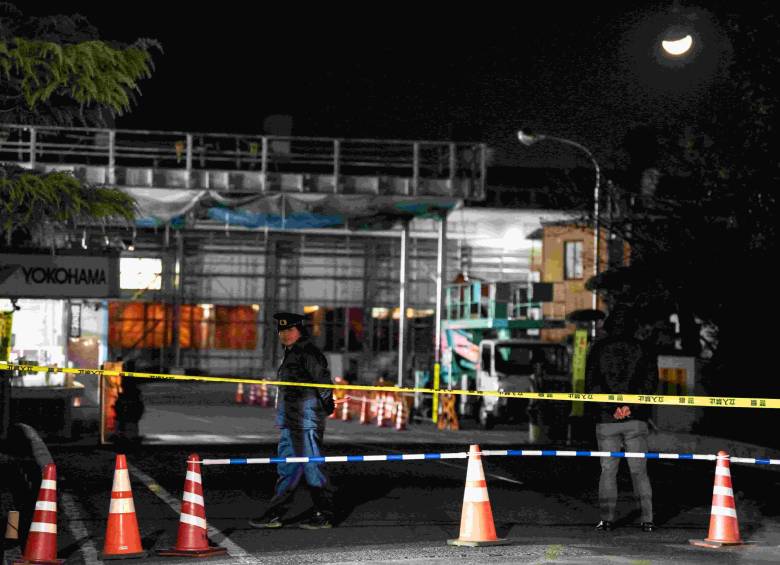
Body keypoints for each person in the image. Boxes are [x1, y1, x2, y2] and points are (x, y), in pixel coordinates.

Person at [249, 312, 336, 530]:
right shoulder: (291, 354)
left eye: (290, 330)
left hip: (305, 421)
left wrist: (326, 406)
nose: (285, 335)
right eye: (282, 331)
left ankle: (324, 514)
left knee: (313, 467)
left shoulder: (308, 353)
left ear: (300, 330)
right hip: (290, 420)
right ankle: (275, 513)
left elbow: (324, 384)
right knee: (287, 468)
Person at [584, 303, 658, 533]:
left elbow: (591, 385)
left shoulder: (597, 349)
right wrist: (629, 407)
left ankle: (606, 520)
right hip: (636, 419)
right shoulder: (644, 349)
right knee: (639, 470)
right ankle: (647, 519)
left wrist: (612, 407)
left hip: (607, 419)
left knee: (608, 470)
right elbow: (650, 384)